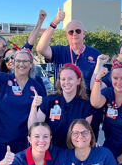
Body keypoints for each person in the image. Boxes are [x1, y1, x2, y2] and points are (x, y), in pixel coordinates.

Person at [36, 8, 102, 138]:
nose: (74, 34)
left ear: (84, 33)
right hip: (63, 104)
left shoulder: (95, 54)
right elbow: (40, 48)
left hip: (87, 106)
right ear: (66, 35)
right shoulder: (60, 50)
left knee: (86, 143)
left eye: (78, 31)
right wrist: (55, 22)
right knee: (61, 140)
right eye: (70, 32)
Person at [28, 63, 96, 148]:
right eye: (63, 79)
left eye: (70, 79)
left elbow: (83, 136)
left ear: (78, 81)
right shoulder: (49, 101)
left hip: (74, 153)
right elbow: (33, 128)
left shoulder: (86, 105)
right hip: (50, 152)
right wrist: (34, 106)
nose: (66, 82)